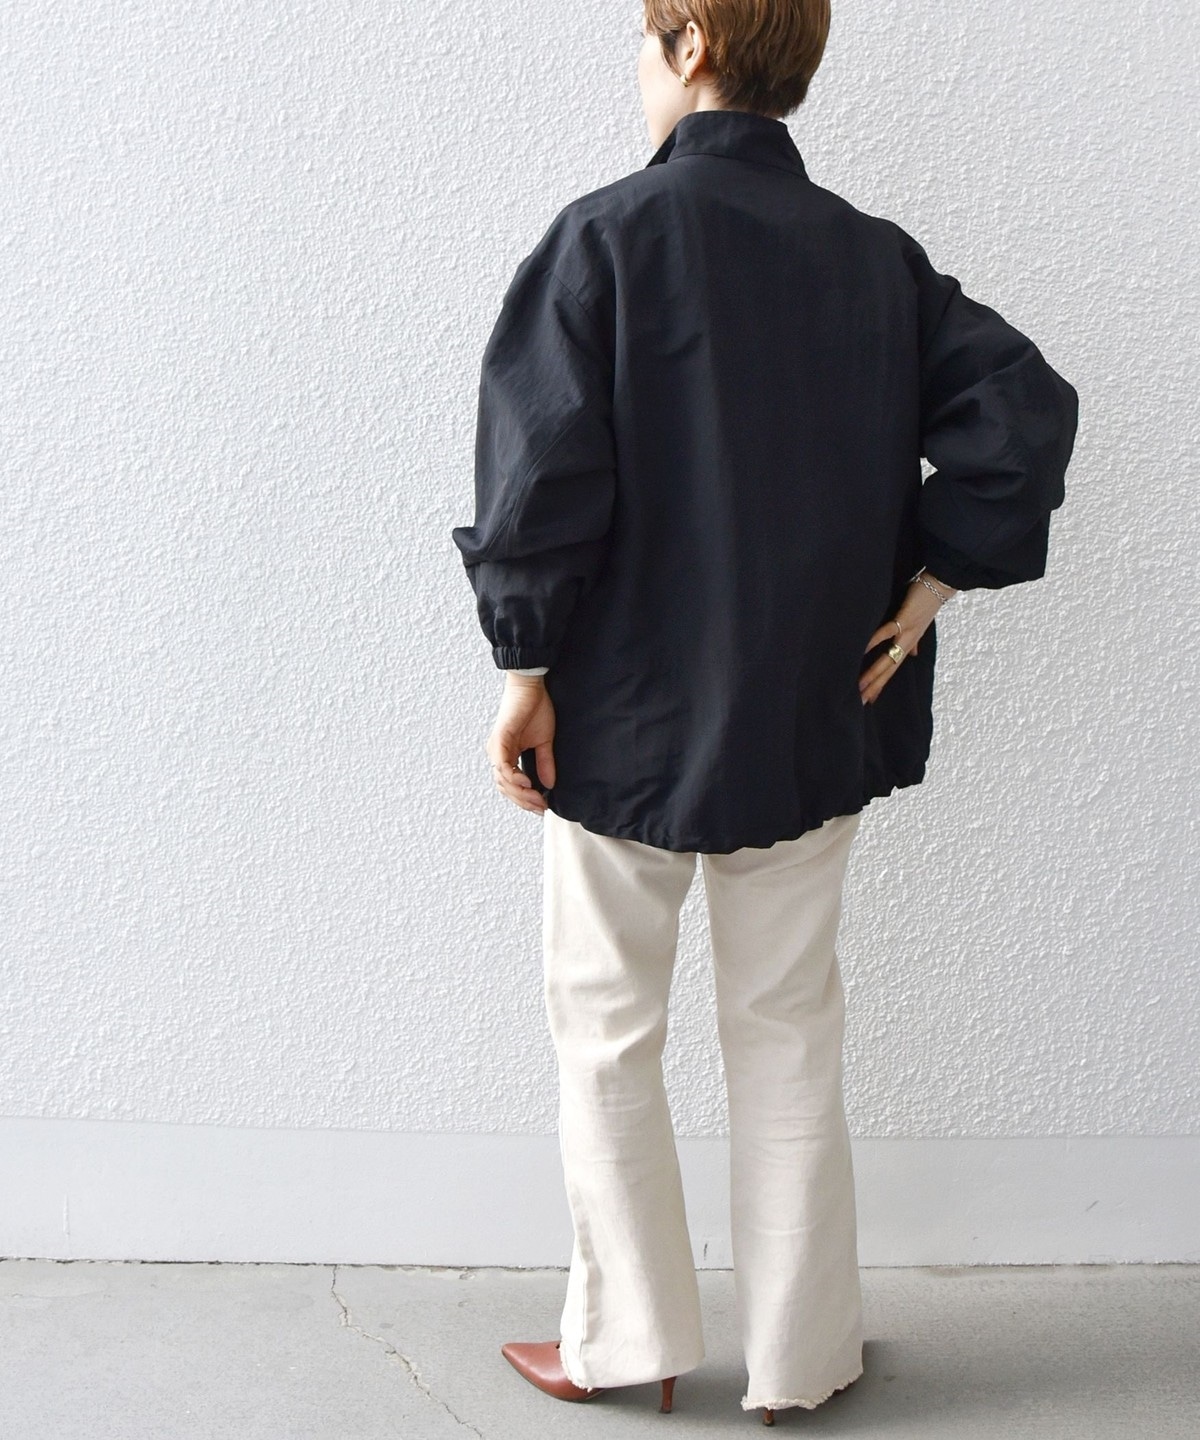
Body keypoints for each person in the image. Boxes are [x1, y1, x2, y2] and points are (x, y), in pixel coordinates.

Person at [450, 0, 1079, 1425]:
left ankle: (628, 1346)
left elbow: (540, 479)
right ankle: (804, 1360)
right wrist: (931, 587)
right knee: (789, 1025)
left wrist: (523, 671)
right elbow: (1023, 411)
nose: (639, 65)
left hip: (618, 723)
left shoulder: (604, 239)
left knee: (607, 1027)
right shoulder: (872, 258)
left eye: (645, 37)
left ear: (689, 45)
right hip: (813, 712)